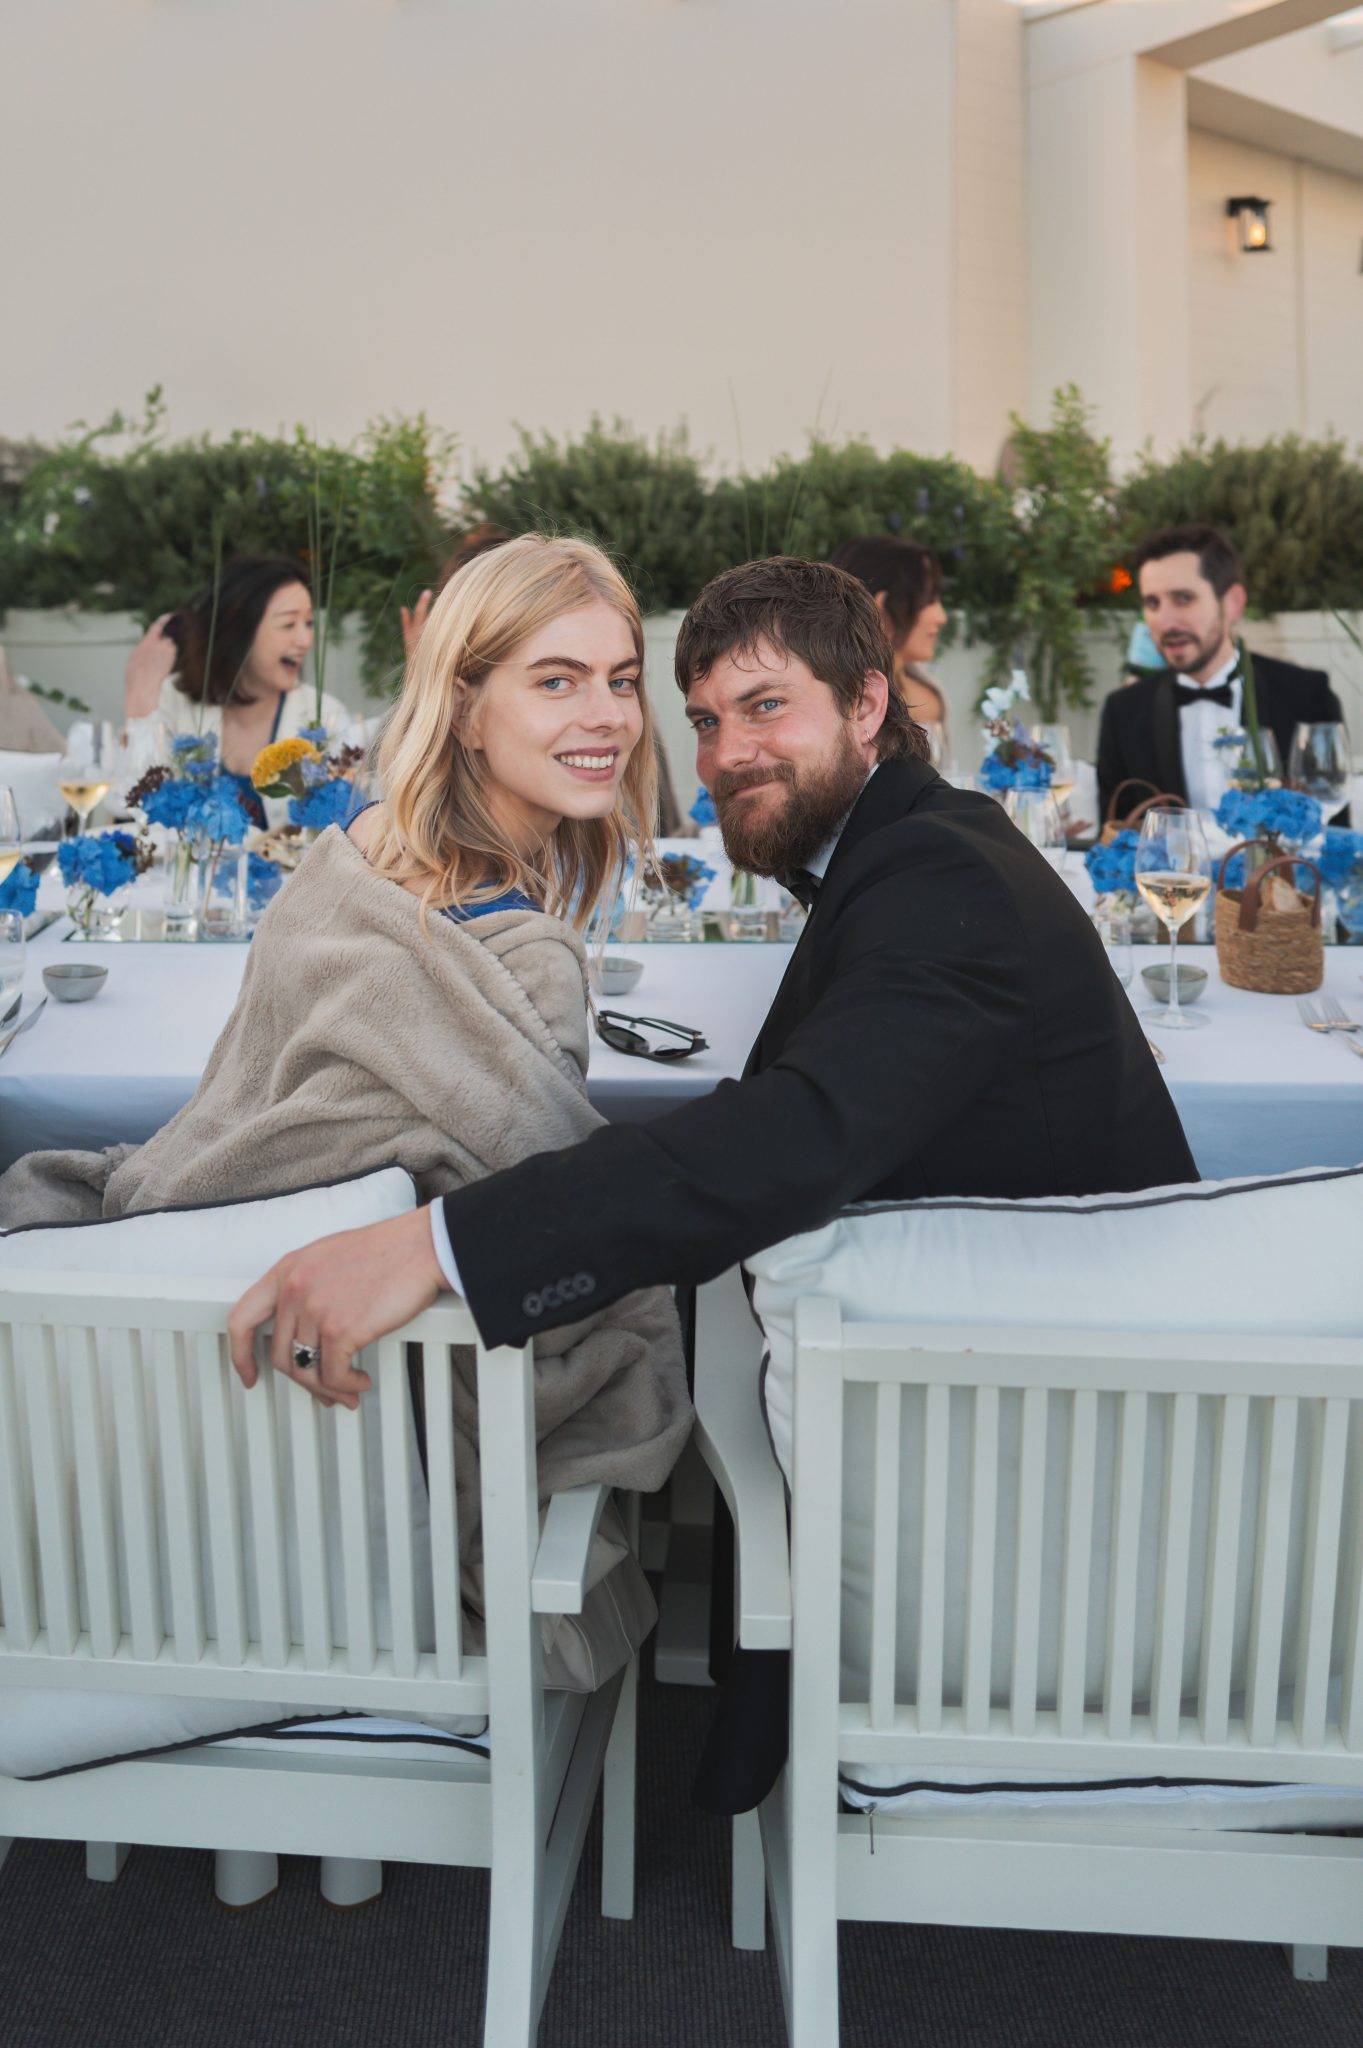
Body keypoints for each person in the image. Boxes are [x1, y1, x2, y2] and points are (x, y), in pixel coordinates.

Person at [228, 554, 1195, 1810]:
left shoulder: (943, 878)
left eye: (765, 707)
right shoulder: (917, 846)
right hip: (983, 1380)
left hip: (1040, 1480)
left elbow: (789, 1139)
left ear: (865, 703)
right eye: (702, 718)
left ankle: (352, 1619)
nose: (726, 750)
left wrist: (441, 1246)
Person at [4, 534, 691, 1606]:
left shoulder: (350, 856)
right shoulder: (530, 962)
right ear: (464, 705)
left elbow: (242, 1100)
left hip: (188, 1482)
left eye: (619, 680)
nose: (605, 715)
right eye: (555, 680)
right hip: (379, 1518)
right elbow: (549, 1260)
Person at [1097, 525, 1345, 821]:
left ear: (1232, 603)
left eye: (1183, 599)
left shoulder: (1306, 695)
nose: (1164, 620)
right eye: (1152, 603)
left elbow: (1333, 834)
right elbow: (1116, 839)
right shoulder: (1123, 711)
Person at [122, 555, 359, 826]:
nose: (305, 641)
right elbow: (137, 811)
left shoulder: (324, 715)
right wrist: (138, 703)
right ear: (240, 630)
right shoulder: (174, 700)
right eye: (288, 624)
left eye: (309, 623)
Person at [828, 534, 950, 753]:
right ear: (878, 607)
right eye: (927, 600)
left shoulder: (928, 693)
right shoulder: (837, 701)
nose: (941, 616)